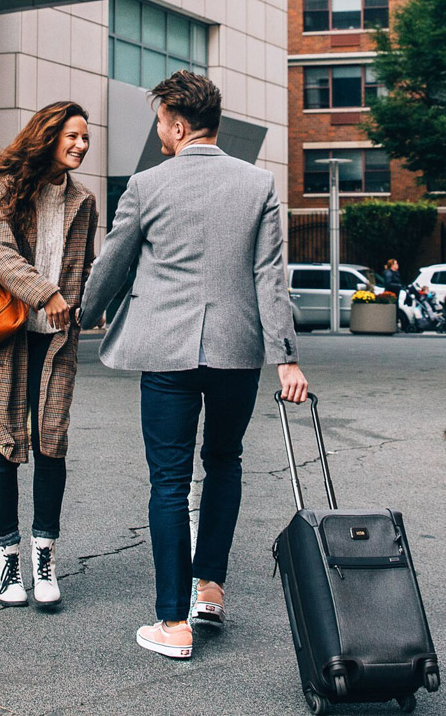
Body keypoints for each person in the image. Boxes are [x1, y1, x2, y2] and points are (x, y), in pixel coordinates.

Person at [79, 71, 307, 660]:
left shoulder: (147, 185)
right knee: (224, 463)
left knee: (169, 481)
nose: (158, 133)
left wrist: (83, 313)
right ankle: (209, 590)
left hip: (167, 353)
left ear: (179, 125)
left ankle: (172, 623)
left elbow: (113, 262)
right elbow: (268, 278)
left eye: (160, 122)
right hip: (236, 353)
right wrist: (285, 357)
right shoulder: (257, 184)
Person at [0, 101, 98, 611]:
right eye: (73, 135)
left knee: (51, 441)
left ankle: (44, 556)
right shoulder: (7, 186)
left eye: (86, 137)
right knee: (5, 443)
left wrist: (89, 302)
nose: (81, 144)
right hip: (5, 335)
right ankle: (6, 560)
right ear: (49, 135)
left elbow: (83, 265)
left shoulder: (84, 200)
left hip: (57, 338)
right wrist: (46, 293)